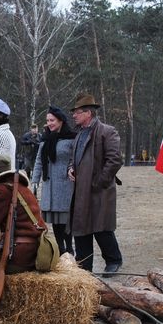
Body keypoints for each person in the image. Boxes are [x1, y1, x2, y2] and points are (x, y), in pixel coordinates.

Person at [67, 93, 123, 275]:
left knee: (102, 229)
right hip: (80, 191)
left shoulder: (107, 131)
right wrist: (70, 168)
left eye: (77, 112)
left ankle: (113, 261)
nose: (74, 116)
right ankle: (84, 267)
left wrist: (99, 182)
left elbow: (115, 160)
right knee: (81, 229)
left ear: (88, 113)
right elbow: (73, 158)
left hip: (99, 191)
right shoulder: (79, 135)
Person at [31, 106, 76, 255]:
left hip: (65, 185)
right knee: (55, 221)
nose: (49, 123)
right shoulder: (45, 139)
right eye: (47, 120)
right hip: (49, 185)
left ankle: (69, 249)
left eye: (52, 120)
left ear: (61, 120)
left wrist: (71, 168)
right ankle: (61, 250)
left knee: (64, 220)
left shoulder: (71, 138)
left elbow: (74, 158)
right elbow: (39, 160)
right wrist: (35, 180)